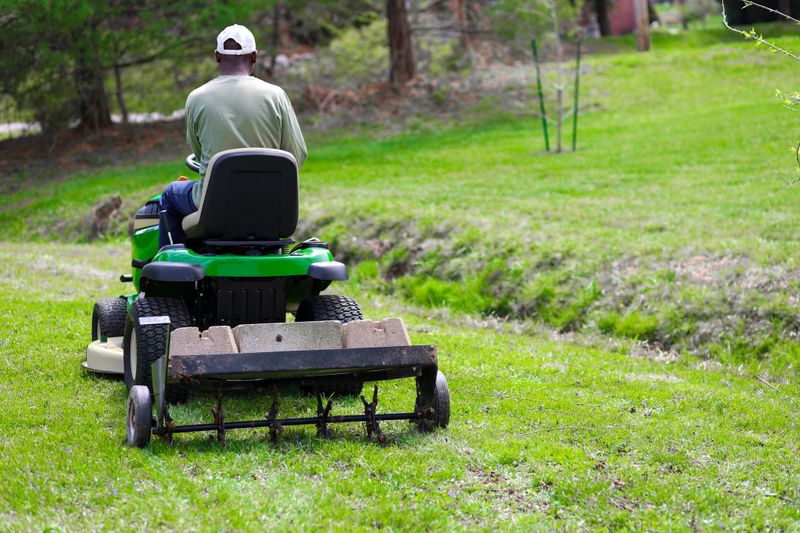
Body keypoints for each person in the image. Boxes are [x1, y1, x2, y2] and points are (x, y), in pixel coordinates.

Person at [158, 24, 308, 248]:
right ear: (254, 56)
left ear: (217, 56)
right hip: (269, 204)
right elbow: (297, 154)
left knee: (171, 194)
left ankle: (173, 267)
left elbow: (199, 152)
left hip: (212, 204)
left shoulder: (197, 98)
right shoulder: (276, 96)